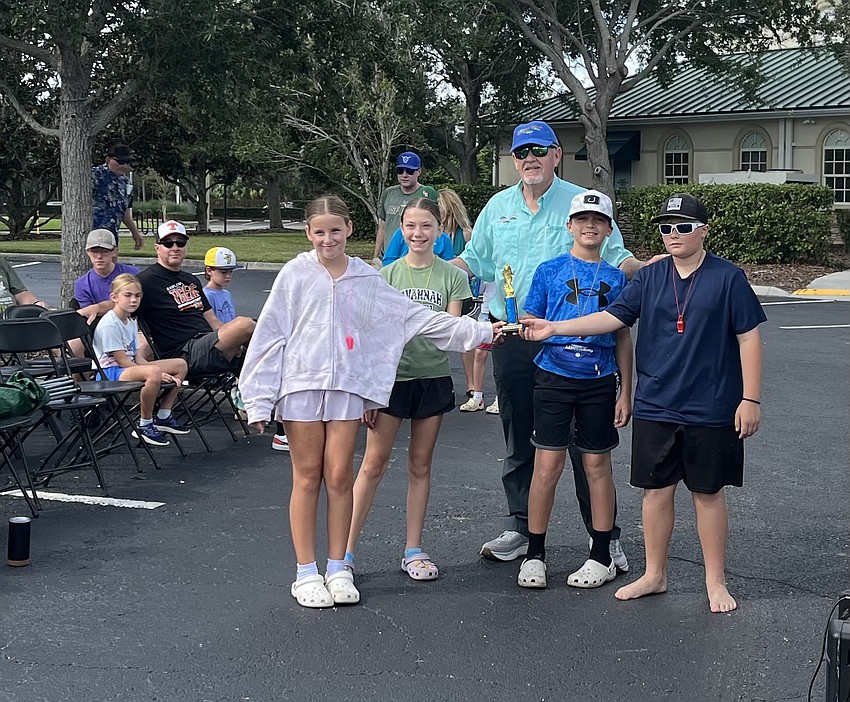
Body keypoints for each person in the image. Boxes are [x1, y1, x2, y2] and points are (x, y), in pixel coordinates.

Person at [238, 195, 500, 609]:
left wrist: (480, 333)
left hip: (347, 388)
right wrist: (258, 399)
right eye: (319, 232)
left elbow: (414, 317)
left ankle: (339, 566)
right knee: (308, 476)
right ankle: (306, 572)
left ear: (349, 231)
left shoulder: (366, 278)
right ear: (308, 233)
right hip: (301, 389)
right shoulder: (294, 274)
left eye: (335, 231)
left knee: (341, 475)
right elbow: (270, 336)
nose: (328, 239)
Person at [521, 192, 765, 613]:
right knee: (655, 492)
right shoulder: (649, 279)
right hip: (656, 403)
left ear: (703, 231)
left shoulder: (728, 278)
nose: (673, 234)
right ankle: (654, 574)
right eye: (666, 227)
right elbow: (611, 319)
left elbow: (749, 337)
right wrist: (553, 329)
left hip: (710, 405)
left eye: (683, 227)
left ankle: (715, 580)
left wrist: (750, 398)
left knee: (707, 493)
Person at [452, 119, 651, 566]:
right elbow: (472, 261)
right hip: (514, 337)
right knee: (521, 437)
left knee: (588, 447)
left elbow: (618, 260)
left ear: (557, 154)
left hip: (579, 345)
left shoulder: (580, 204)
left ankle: (604, 537)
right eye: (522, 153)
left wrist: (655, 265)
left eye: (539, 150)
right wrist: (421, 271)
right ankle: (520, 527)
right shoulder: (498, 206)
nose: (529, 159)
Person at [346, 198, 473, 582]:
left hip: (432, 379)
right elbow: (369, 336)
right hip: (390, 382)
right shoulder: (384, 276)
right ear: (401, 228)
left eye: (426, 226)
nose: (418, 234)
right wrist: (367, 390)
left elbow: (449, 334)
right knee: (372, 465)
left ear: (439, 230)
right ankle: (344, 553)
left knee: (420, 465)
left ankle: (413, 550)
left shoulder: (453, 276)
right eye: (411, 226)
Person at [516, 191, 632, 591]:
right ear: (569, 226)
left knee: (597, 466)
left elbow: (622, 338)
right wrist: (525, 324)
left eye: (598, 220)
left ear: (608, 228)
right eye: (582, 219)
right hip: (553, 378)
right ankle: (535, 552)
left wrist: (625, 391)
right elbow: (531, 317)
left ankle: (601, 553)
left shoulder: (617, 278)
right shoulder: (549, 271)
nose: (589, 226)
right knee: (547, 466)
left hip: (599, 381)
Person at [136, 221, 255, 376]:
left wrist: (233, 339)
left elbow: (212, 320)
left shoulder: (191, 280)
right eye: (168, 243)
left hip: (208, 344)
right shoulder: (144, 281)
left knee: (262, 326)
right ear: (157, 248)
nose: (175, 248)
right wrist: (96, 308)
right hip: (182, 354)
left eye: (180, 243)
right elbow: (118, 306)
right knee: (244, 324)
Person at [92, 274, 191, 447]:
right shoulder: (109, 324)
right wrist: (157, 373)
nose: (133, 300)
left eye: (137, 296)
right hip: (109, 372)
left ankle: (163, 416)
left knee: (180, 364)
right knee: (153, 372)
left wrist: (162, 372)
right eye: (127, 295)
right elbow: (122, 361)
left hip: (129, 367)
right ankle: (144, 424)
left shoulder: (130, 321)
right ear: (114, 297)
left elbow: (138, 357)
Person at [439, 188, 480, 406]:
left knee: (467, 337)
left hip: (466, 293)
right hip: (442, 290)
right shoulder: (436, 234)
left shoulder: (466, 234)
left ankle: (472, 383)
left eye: (440, 207)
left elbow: (474, 263)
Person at [373, 151, 438, 262]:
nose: (404, 175)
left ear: (419, 171)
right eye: (400, 171)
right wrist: (375, 255)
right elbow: (383, 226)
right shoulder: (388, 193)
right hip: (388, 257)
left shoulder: (426, 193)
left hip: (416, 256)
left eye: (409, 171)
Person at [74, 229, 140, 324]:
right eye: (94, 251)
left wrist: (98, 308)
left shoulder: (133, 274)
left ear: (114, 252)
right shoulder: (81, 284)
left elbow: (137, 304)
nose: (99, 256)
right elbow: (90, 315)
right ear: (87, 252)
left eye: (104, 251)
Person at [92, 143, 143, 250]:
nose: (124, 166)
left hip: (112, 238)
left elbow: (124, 211)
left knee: (111, 265)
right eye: (120, 162)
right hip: (92, 237)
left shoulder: (126, 183)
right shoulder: (93, 176)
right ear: (108, 159)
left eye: (127, 162)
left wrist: (135, 233)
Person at [203, 247, 238, 324]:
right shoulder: (206, 296)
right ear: (209, 271)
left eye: (230, 272)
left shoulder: (227, 294)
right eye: (223, 272)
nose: (228, 276)